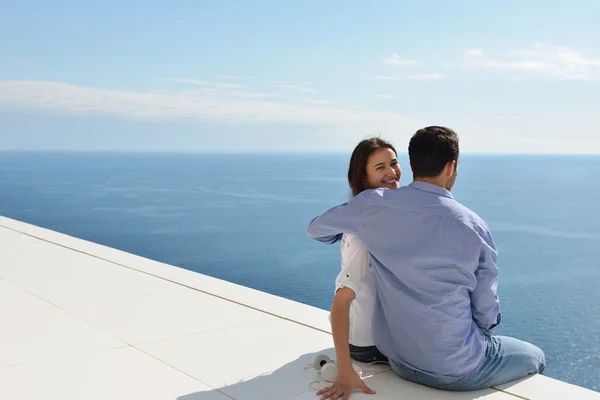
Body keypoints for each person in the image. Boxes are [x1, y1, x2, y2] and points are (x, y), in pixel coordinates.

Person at [308, 126, 545, 397]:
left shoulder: (372, 206)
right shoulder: (473, 226)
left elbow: (316, 229)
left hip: (400, 361)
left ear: (410, 164)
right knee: (536, 357)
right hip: (457, 367)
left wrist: (357, 227)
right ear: (451, 166)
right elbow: (485, 310)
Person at [317, 138, 400, 400]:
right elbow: (342, 300)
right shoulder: (361, 230)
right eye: (380, 167)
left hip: (382, 337)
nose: (391, 172)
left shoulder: (389, 214)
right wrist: (345, 370)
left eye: (394, 163)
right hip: (366, 345)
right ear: (363, 179)